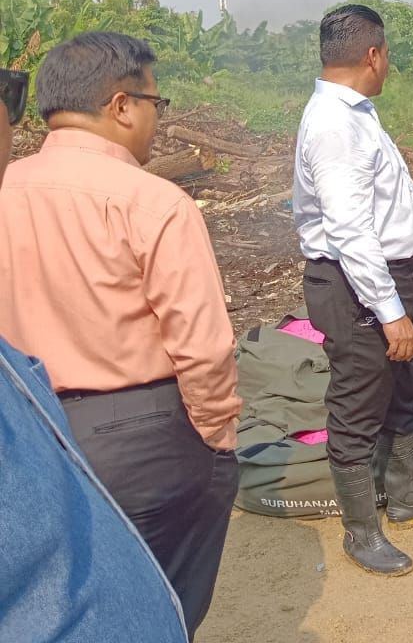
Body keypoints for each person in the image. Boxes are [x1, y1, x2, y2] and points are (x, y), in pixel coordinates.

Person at [0, 33, 239, 638]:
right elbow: (204, 346)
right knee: (158, 607)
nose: (158, 120)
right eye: (157, 103)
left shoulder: (7, 189)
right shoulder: (153, 202)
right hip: (144, 437)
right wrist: (215, 440)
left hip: (27, 430)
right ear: (122, 105)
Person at [293, 3, 413, 576]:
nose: (389, 64)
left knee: (401, 384)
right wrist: (390, 311)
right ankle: (361, 533)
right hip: (355, 285)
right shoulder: (334, 125)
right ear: (372, 54)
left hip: (388, 277)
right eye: (387, 53)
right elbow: (349, 231)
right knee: (356, 402)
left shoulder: (355, 113)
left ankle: (411, 497)